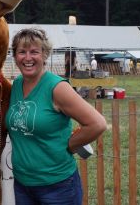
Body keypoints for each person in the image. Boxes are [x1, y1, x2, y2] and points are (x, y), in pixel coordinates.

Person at [6, 28, 107, 204]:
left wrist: (69, 145)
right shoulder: (16, 85)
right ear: (14, 56)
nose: (28, 58)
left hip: (57, 187)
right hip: (22, 184)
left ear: (45, 55)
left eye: (34, 52)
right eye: (22, 52)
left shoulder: (57, 87)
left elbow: (97, 124)